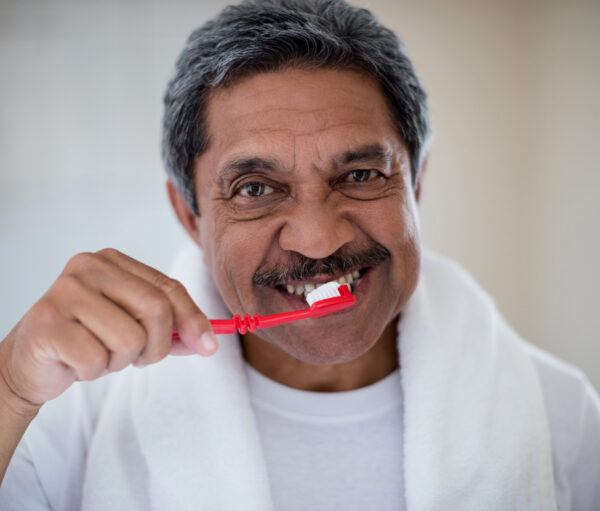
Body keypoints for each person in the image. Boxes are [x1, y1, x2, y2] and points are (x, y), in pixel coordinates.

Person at [0, 0, 599, 509]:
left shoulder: (563, 420)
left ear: (415, 186)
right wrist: (8, 387)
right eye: (255, 189)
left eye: (361, 175)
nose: (318, 240)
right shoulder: (61, 422)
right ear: (190, 217)